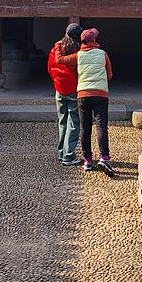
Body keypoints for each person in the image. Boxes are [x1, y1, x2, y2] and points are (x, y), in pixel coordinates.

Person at [56, 27, 114, 175]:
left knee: (85, 128)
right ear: (94, 40)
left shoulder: (78, 55)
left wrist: (58, 46)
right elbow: (109, 75)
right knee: (101, 127)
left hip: (82, 94)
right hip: (100, 94)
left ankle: (87, 161)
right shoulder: (103, 54)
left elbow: (60, 60)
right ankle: (104, 158)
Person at [47, 23, 83, 166]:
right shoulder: (78, 52)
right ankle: (69, 155)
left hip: (59, 89)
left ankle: (61, 153)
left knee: (62, 122)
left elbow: (50, 69)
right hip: (73, 89)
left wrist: (57, 82)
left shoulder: (55, 50)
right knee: (74, 122)